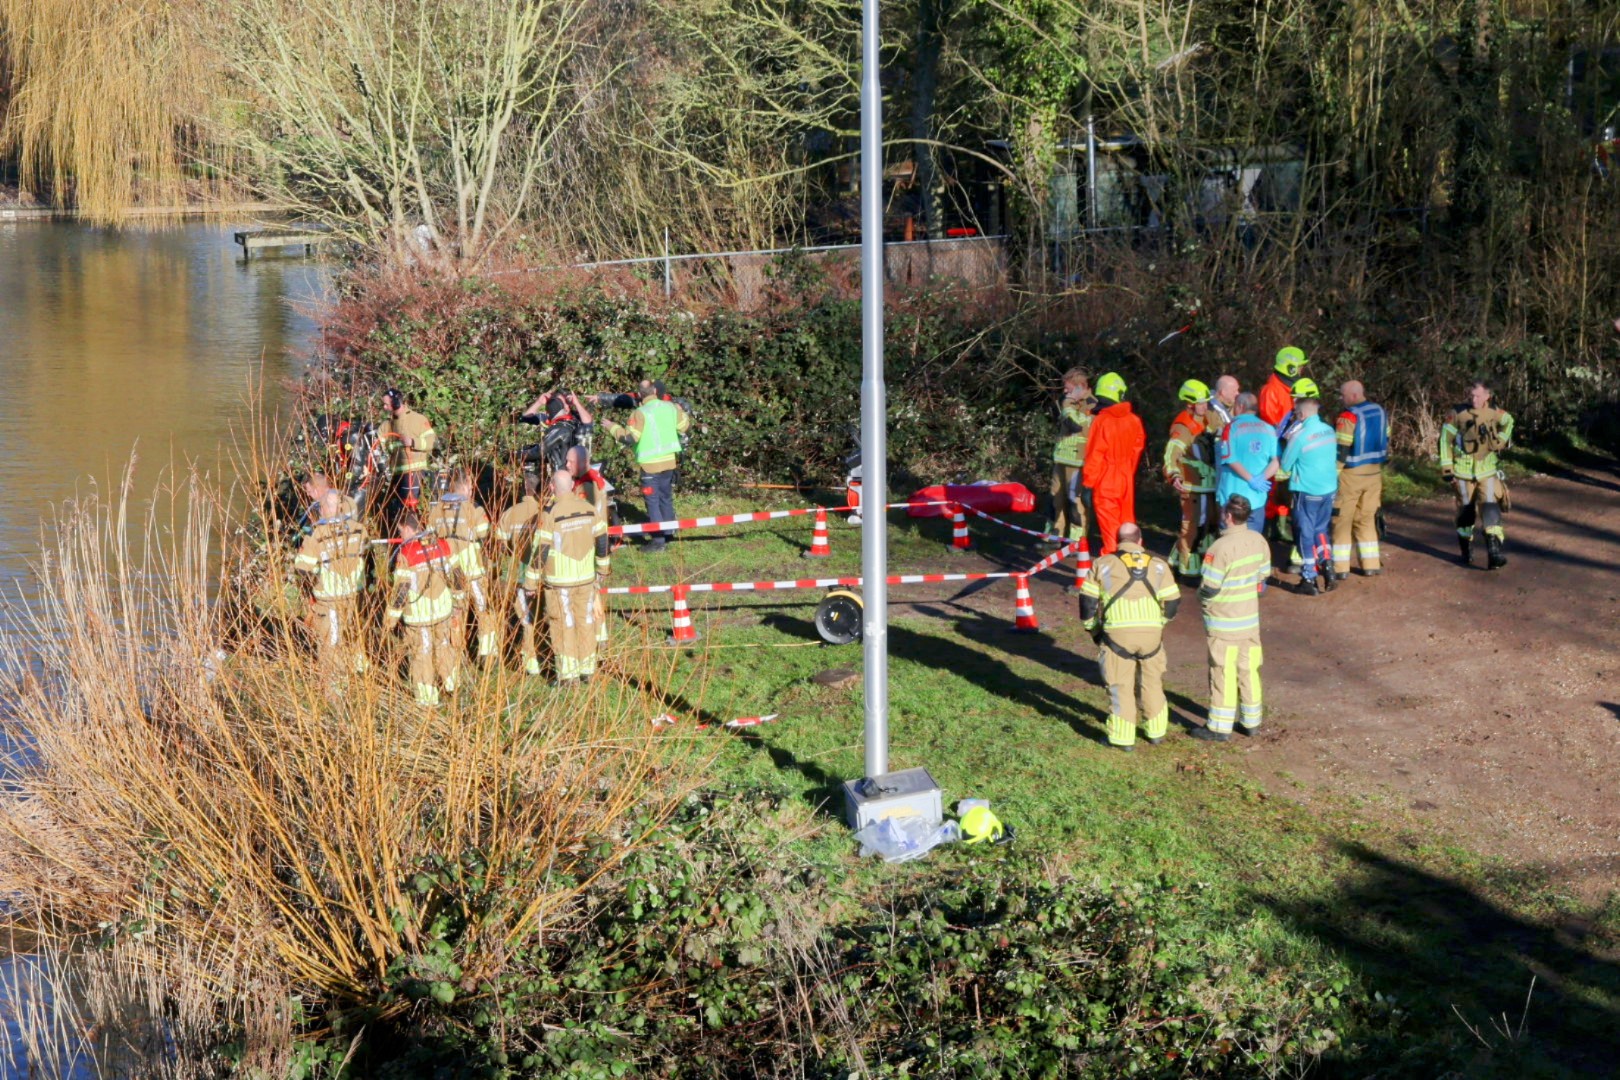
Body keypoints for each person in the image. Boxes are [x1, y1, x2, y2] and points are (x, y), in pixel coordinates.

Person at [1079, 523, 1181, 751]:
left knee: (1119, 685)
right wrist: (1160, 623)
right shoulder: (1159, 565)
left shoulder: (1102, 564)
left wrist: (1093, 629)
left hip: (1117, 637)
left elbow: (1087, 603)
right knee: (1152, 682)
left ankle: (1123, 739)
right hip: (1152, 638)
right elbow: (1173, 602)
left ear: (1117, 541)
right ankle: (1156, 732)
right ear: (1140, 541)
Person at [1193, 495, 1271, 741]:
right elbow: (1262, 575)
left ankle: (1219, 727)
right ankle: (1251, 722)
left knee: (1223, 673)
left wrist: (1202, 599)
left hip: (1224, 623)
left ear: (1227, 516)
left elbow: (1210, 587)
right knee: (1249, 670)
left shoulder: (1219, 548)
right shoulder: (1258, 540)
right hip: (1249, 621)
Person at [522, 471, 611, 683]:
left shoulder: (549, 513)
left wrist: (531, 582)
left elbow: (541, 551)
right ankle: (588, 670)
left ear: (552, 488)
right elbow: (602, 541)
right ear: (572, 486)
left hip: (559, 582)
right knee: (586, 621)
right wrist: (602, 569)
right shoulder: (589, 509)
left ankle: (568, 675)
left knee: (563, 625)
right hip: (586, 578)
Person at [383, 512, 466, 707]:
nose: (401, 536)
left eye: (401, 532)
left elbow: (401, 591)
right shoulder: (443, 545)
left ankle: (427, 701)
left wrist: (390, 619)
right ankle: (453, 687)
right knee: (445, 648)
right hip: (443, 611)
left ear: (408, 528)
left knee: (422, 654)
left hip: (419, 617)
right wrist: (459, 605)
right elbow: (457, 576)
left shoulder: (406, 554)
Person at [602, 379, 691, 552]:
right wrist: (682, 412)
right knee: (666, 497)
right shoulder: (671, 408)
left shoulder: (639, 413)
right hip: (669, 462)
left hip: (650, 466)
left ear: (639, 395)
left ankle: (658, 541)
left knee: (652, 502)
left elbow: (629, 438)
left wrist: (612, 427)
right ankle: (669, 531)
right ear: (655, 392)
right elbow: (685, 427)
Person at [292, 489, 370, 675]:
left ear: (325, 508)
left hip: (330, 599)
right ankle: (362, 675)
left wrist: (309, 594)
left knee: (331, 644)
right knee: (354, 634)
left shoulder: (317, 535)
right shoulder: (359, 529)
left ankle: (336, 692)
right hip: (355, 594)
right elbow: (368, 558)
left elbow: (303, 570)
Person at [1440, 379, 1515, 569]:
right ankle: (1466, 551)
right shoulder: (1457, 413)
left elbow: (1509, 422)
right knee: (1466, 515)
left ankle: (1494, 554)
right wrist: (1447, 469)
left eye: (1478, 395)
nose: (1474, 399)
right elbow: (1445, 440)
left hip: (1487, 472)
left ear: (1487, 396)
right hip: (1463, 473)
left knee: (1490, 509)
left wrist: (1501, 441)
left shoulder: (1495, 412)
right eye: (1472, 395)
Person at [425, 469, 495, 661]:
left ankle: (457, 652)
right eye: (470, 485)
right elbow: (483, 532)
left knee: (456, 611)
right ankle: (487, 653)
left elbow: (430, 536)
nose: (472, 489)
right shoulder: (473, 509)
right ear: (463, 486)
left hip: (447, 570)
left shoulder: (436, 509)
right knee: (483, 609)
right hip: (471, 569)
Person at [1277, 380, 1338, 595]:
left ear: (1300, 415)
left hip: (1306, 492)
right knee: (1321, 530)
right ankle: (1329, 568)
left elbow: (1285, 465)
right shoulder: (1329, 431)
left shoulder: (1299, 436)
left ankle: (1309, 578)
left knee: (1305, 534)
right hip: (1329, 490)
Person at [1080, 372, 1145, 556]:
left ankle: (1112, 569)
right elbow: (1136, 451)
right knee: (1128, 527)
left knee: (1110, 530)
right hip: (1125, 479)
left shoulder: (1101, 421)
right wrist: (1127, 473)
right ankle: (1133, 564)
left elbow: (1095, 455)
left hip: (1106, 480)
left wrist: (1087, 484)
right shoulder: (1134, 421)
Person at [1163, 379, 1218, 578]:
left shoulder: (1211, 418)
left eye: (1206, 402)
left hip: (1209, 483)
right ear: (1189, 403)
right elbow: (1172, 453)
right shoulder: (1182, 427)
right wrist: (1173, 474)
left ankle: (1180, 558)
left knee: (1209, 523)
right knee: (1193, 525)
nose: (1205, 406)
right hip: (1192, 485)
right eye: (1201, 403)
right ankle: (1188, 569)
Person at [1333, 380, 1388, 577]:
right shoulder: (1380, 411)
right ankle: (1370, 564)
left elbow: (1341, 449)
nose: (1341, 399)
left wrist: (1333, 474)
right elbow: (1386, 438)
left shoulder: (1348, 416)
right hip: (1374, 473)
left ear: (1354, 396)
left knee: (1342, 519)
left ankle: (1339, 568)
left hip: (1351, 474)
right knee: (1366, 518)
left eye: (1343, 395)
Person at [1259, 347, 1308, 544]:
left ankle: (1281, 521)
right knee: (1273, 485)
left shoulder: (1291, 388)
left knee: (1285, 484)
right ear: (1290, 368)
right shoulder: (1271, 390)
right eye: (1300, 367)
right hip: (1278, 443)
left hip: (1291, 442)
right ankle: (1272, 524)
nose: (1302, 370)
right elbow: (1272, 421)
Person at [1215, 393, 1278, 534]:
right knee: (1253, 542)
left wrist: (1250, 479)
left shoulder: (1231, 428)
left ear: (1240, 406)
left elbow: (1230, 458)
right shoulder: (1269, 428)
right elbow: (1276, 461)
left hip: (1233, 497)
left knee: (1230, 542)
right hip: (1257, 498)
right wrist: (1262, 478)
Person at [1048, 368, 1093, 542]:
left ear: (1081, 386)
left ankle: (1076, 541)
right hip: (1061, 459)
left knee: (1076, 502)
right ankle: (1054, 535)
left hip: (1078, 462)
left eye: (1068, 389)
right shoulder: (1071, 402)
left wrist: (1067, 404)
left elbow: (1075, 425)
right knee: (1055, 499)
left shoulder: (1092, 405)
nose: (1065, 393)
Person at [378, 387, 436, 513]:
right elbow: (377, 447)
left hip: (414, 473)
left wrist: (413, 442)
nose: (384, 407)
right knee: (396, 511)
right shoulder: (385, 426)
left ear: (396, 402)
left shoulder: (418, 420)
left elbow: (431, 442)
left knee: (410, 510)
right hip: (395, 476)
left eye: (386, 404)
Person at [518, 388, 593, 474]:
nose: (563, 406)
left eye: (564, 402)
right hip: (556, 467)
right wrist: (538, 402)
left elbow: (588, 422)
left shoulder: (576, 418)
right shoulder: (549, 418)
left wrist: (576, 403)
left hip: (572, 468)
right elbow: (526, 419)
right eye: (559, 402)